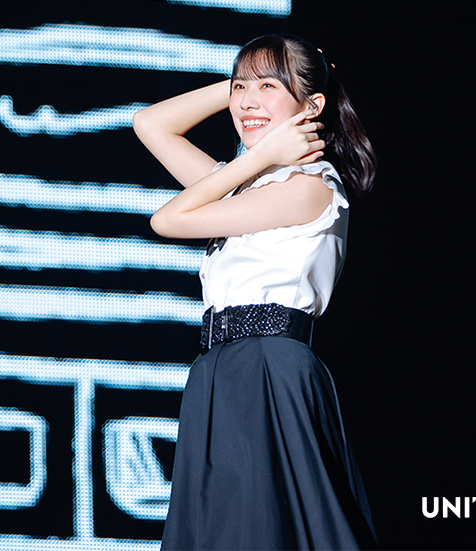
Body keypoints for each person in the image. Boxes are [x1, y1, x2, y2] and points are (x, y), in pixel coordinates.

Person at [133, 34, 378, 551]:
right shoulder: (248, 185)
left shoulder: (312, 186)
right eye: (240, 87)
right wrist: (246, 91)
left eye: (269, 86)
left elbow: (168, 220)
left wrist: (260, 151)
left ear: (312, 106)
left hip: (269, 367)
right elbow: (150, 123)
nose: (246, 101)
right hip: (219, 369)